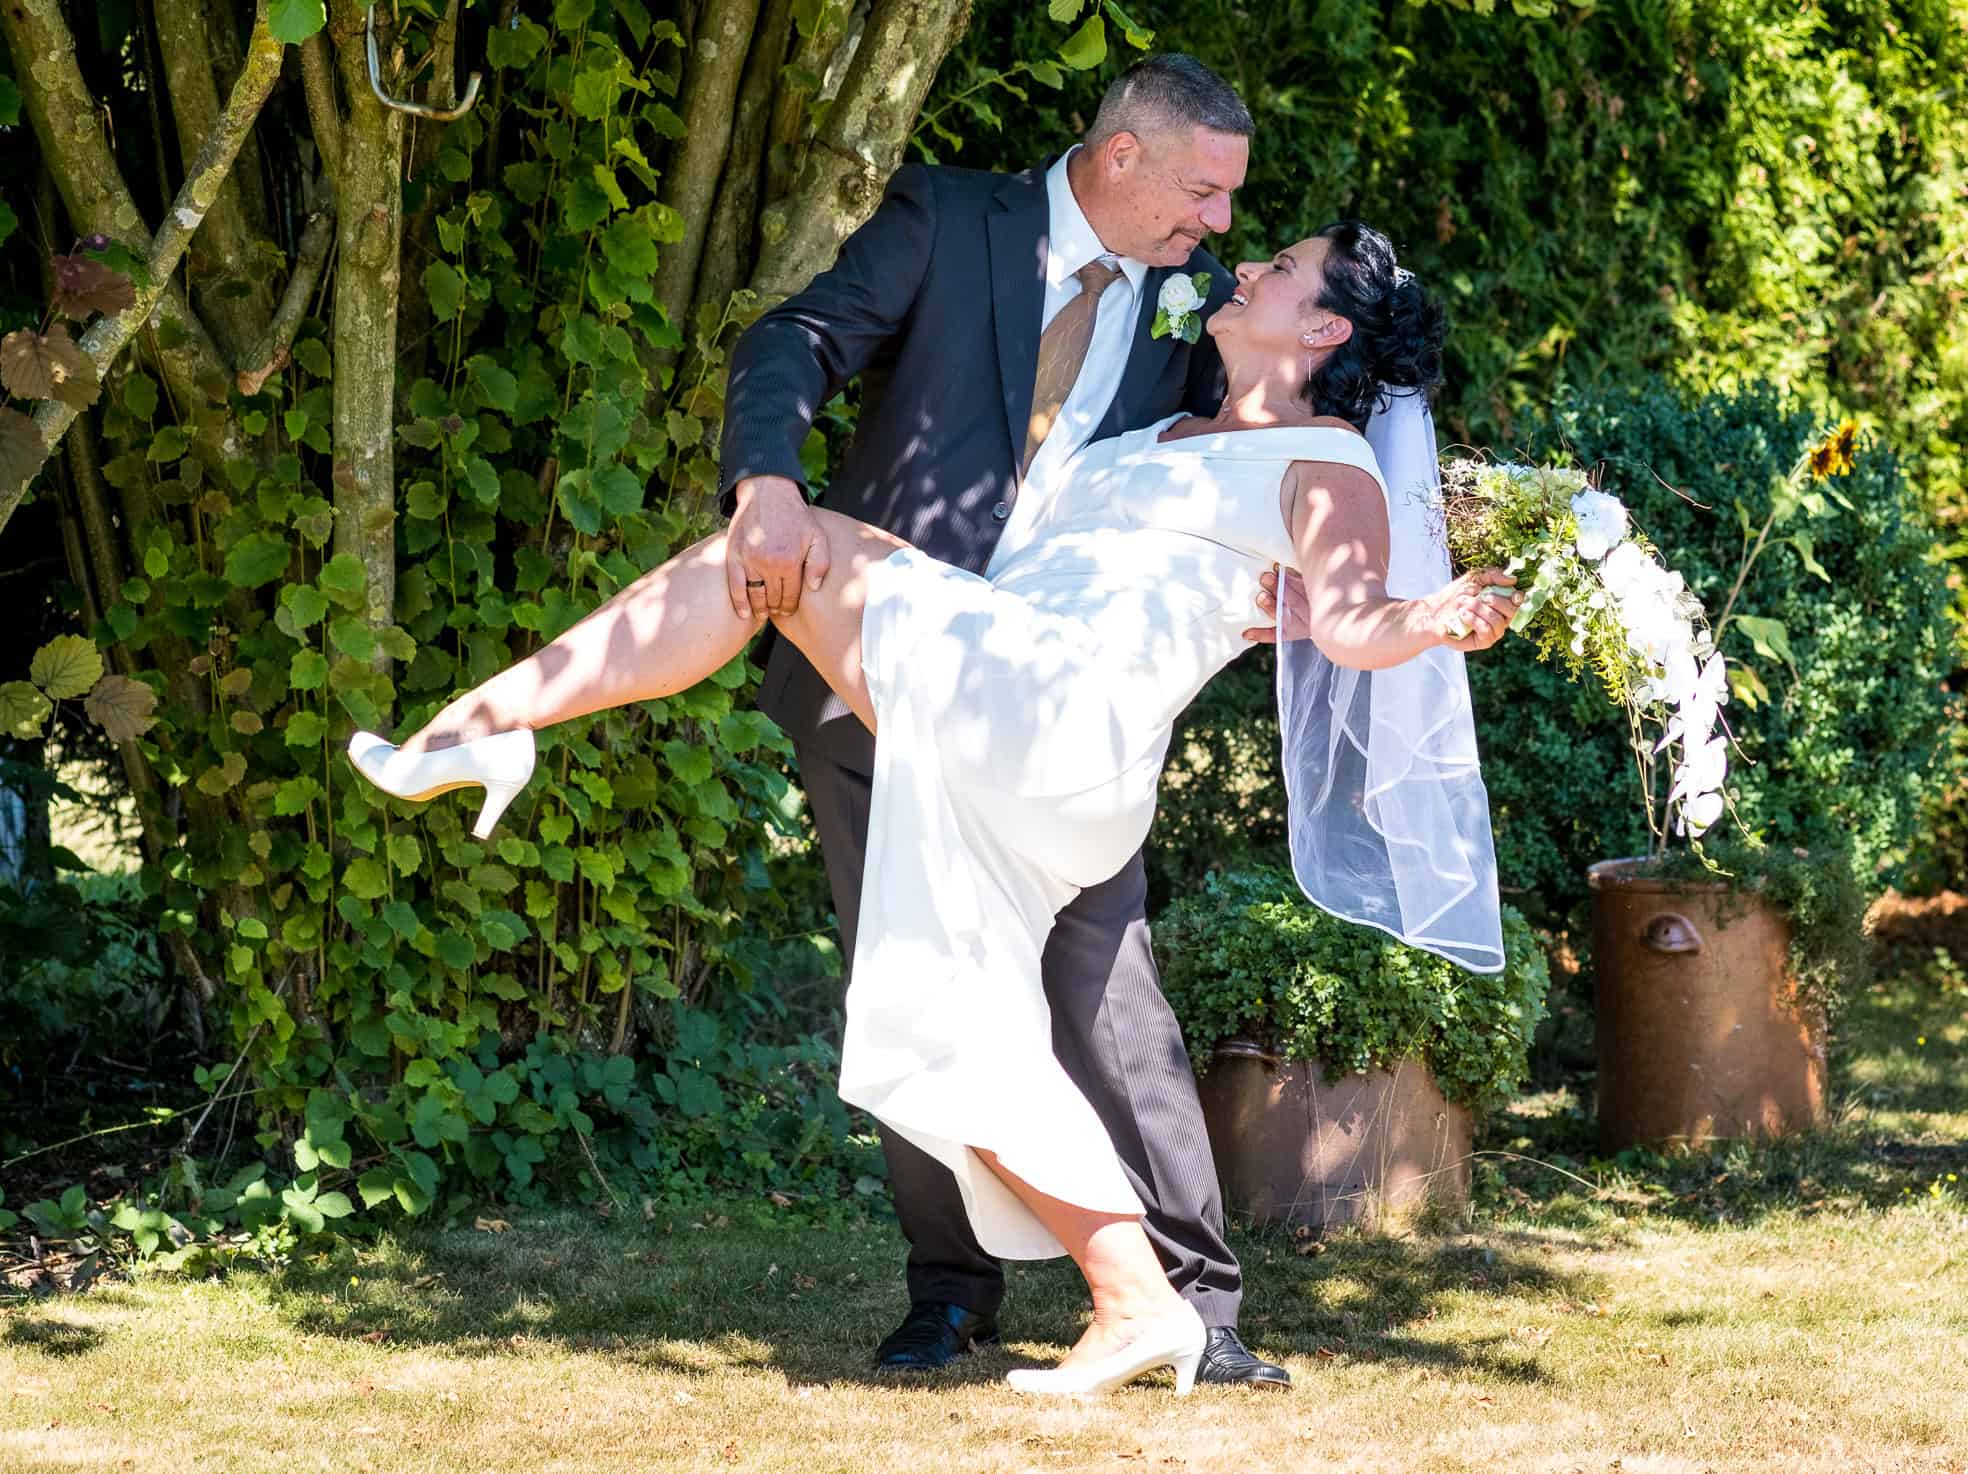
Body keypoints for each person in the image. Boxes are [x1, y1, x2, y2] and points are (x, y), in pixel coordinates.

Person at [349, 219, 1521, 1397]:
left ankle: (482, 730)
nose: (1249, 263)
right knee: (935, 1007)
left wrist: (1430, 620)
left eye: (1283, 268)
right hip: (1012, 709)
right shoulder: (1156, 429)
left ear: (1322, 328)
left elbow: (1361, 618)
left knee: (783, 543)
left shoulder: (1326, 461)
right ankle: (1132, 1301)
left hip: (1069, 714)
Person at [716, 53, 1295, 1386]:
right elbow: (792, 338)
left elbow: (1251, 454)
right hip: (883, 675)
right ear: (1124, 154)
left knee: (1106, 985)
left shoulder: (1205, 303)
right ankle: (951, 1291)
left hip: (1062, 701)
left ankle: (1195, 1305)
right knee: (911, 970)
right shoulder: (947, 219)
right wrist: (767, 482)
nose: (1219, 223)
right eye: (1204, 190)